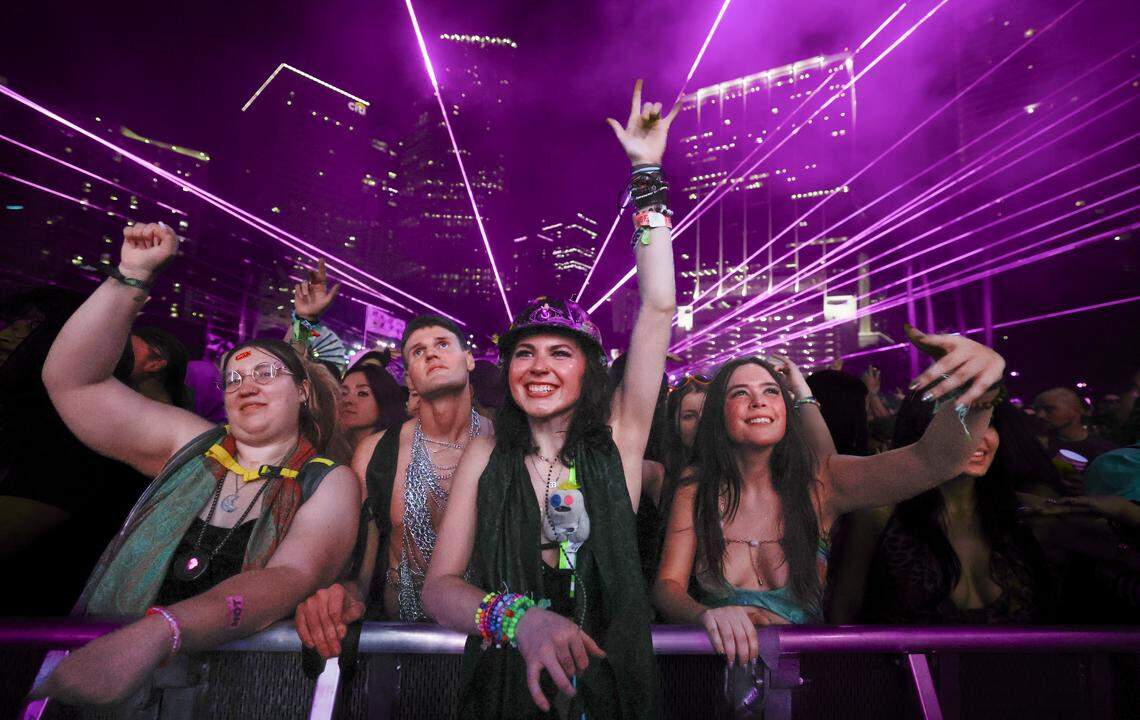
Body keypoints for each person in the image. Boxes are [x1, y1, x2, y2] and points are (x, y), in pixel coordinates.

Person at [421, 80, 677, 719]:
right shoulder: (485, 454)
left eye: (560, 353)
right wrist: (520, 620)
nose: (538, 367)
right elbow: (440, 589)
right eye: (525, 354)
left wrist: (646, 174)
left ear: (590, 373)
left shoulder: (621, 440)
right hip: (508, 687)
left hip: (613, 688)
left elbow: (659, 306)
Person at [33, 221, 360, 707]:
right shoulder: (192, 443)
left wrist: (160, 632)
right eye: (235, 378)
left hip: (233, 699)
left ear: (303, 392)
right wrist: (130, 276)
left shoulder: (328, 480)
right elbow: (73, 382)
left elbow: (289, 578)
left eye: (267, 373)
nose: (247, 385)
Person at [654, 325, 1005, 668]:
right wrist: (705, 615)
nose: (758, 399)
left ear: (785, 410)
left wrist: (981, 390)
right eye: (740, 393)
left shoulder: (822, 482)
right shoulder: (696, 486)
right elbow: (668, 585)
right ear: (718, 414)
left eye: (771, 391)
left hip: (809, 681)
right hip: (717, 679)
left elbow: (933, 460)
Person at [295, 313, 491, 659]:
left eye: (442, 345)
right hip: (396, 642)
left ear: (469, 359)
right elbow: (359, 567)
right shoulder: (376, 452)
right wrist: (343, 594)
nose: (431, 354)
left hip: (487, 644)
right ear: (408, 377)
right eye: (418, 351)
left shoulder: (505, 443)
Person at [858, 400, 1054, 624]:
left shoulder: (1026, 513)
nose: (976, 436)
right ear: (920, 432)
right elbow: (844, 615)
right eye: (957, 422)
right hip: (912, 660)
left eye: (987, 422)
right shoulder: (882, 514)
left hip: (1022, 659)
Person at [1033, 387, 1117, 492]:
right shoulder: (1035, 444)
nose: (1039, 415)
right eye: (1036, 409)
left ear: (1075, 410)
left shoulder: (1103, 450)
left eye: (1049, 409)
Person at [339, 364, 407, 452]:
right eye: (343, 393)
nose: (347, 400)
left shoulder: (401, 451)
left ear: (384, 399)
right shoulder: (330, 451)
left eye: (362, 393)